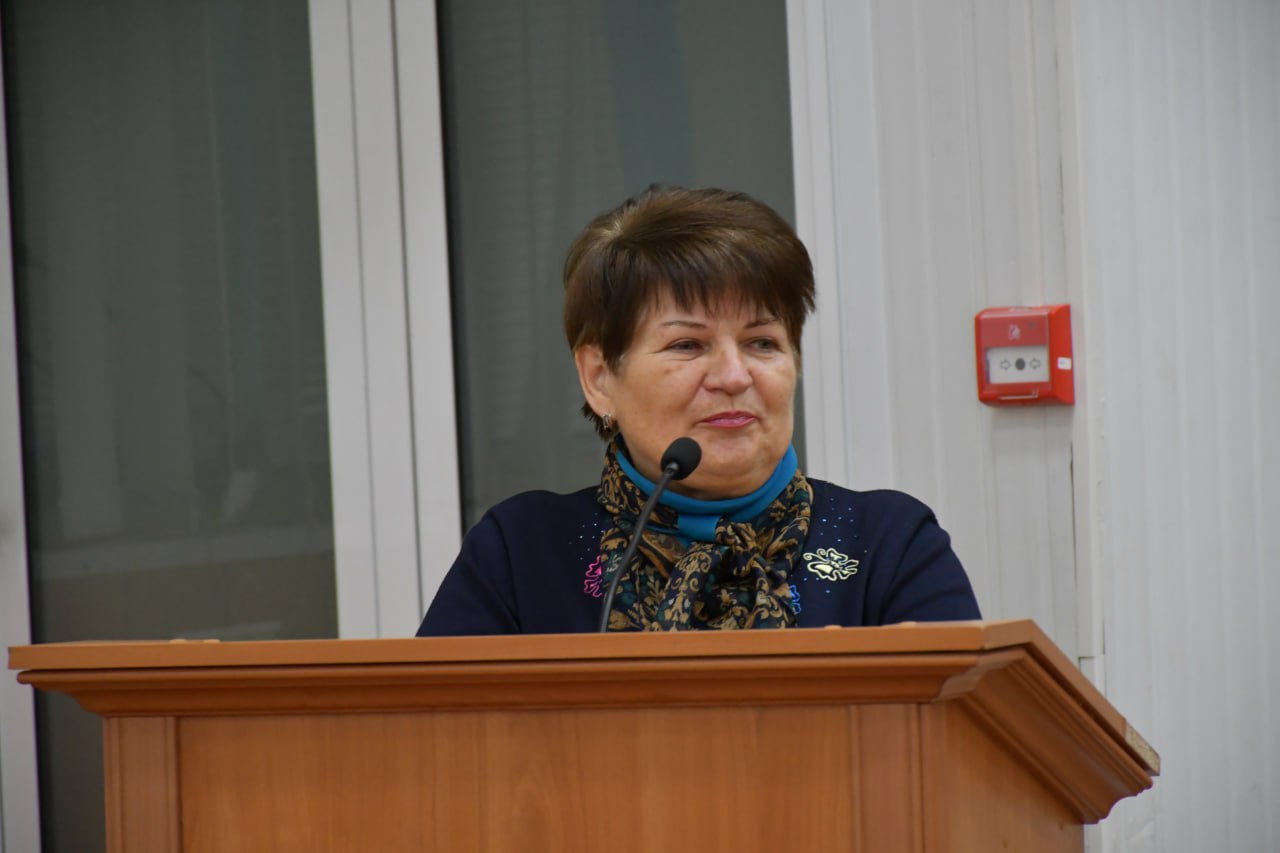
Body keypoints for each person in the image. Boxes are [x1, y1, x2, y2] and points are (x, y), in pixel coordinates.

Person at [418, 186, 980, 635]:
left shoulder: (888, 543)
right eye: (687, 344)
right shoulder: (524, 552)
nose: (734, 376)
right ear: (599, 378)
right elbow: (436, 733)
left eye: (762, 342)